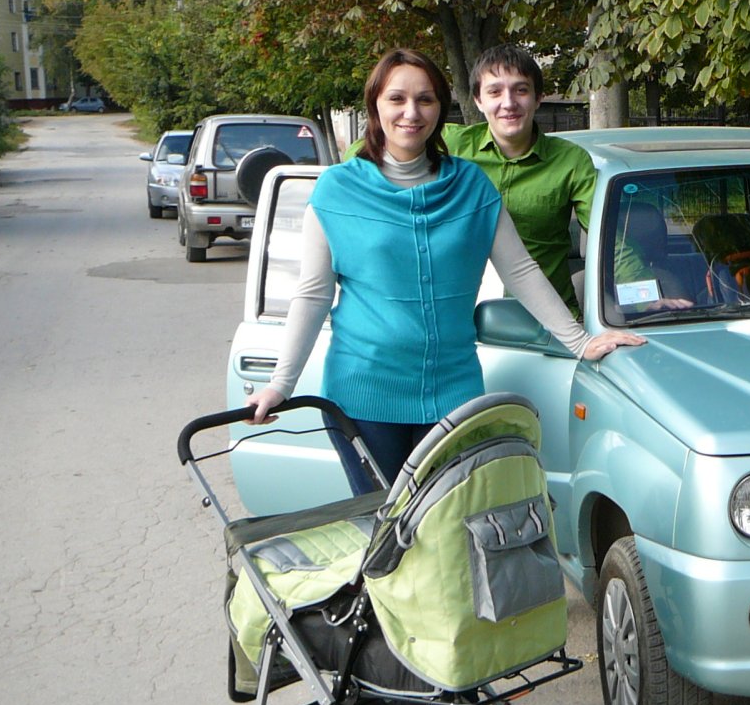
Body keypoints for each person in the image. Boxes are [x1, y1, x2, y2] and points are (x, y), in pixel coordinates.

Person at [248, 48, 643, 486]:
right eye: (396, 99)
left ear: (441, 108)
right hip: (363, 397)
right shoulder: (338, 188)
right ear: (375, 105)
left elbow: (522, 272)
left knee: (449, 535)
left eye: (425, 99)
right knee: (387, 540)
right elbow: (313, 293)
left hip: (453, 396)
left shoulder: (471, 184)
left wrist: (580, 342)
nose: (411, 113)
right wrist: (280, 384)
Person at [443, 45, 595, 308]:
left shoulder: (571, 161)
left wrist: (643, 298)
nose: (508, 103)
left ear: (538, 98)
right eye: (494, 92)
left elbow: (612, 238)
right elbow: (371, 152)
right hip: (459, 320)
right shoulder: (449, 146)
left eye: (521, 90)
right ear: (478, 100)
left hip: (548, 325)